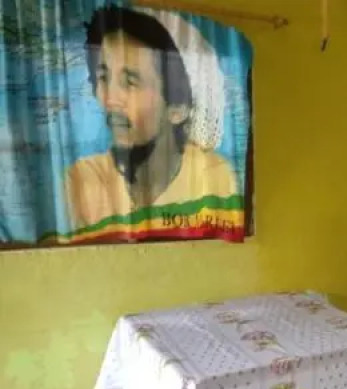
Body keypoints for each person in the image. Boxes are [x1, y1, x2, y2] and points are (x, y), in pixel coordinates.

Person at [66, 6, 237, 229]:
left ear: (177, 109)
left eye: (130, 82)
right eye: (103, 77)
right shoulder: (85, 180)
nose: (110, 99)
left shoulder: (214, 178)